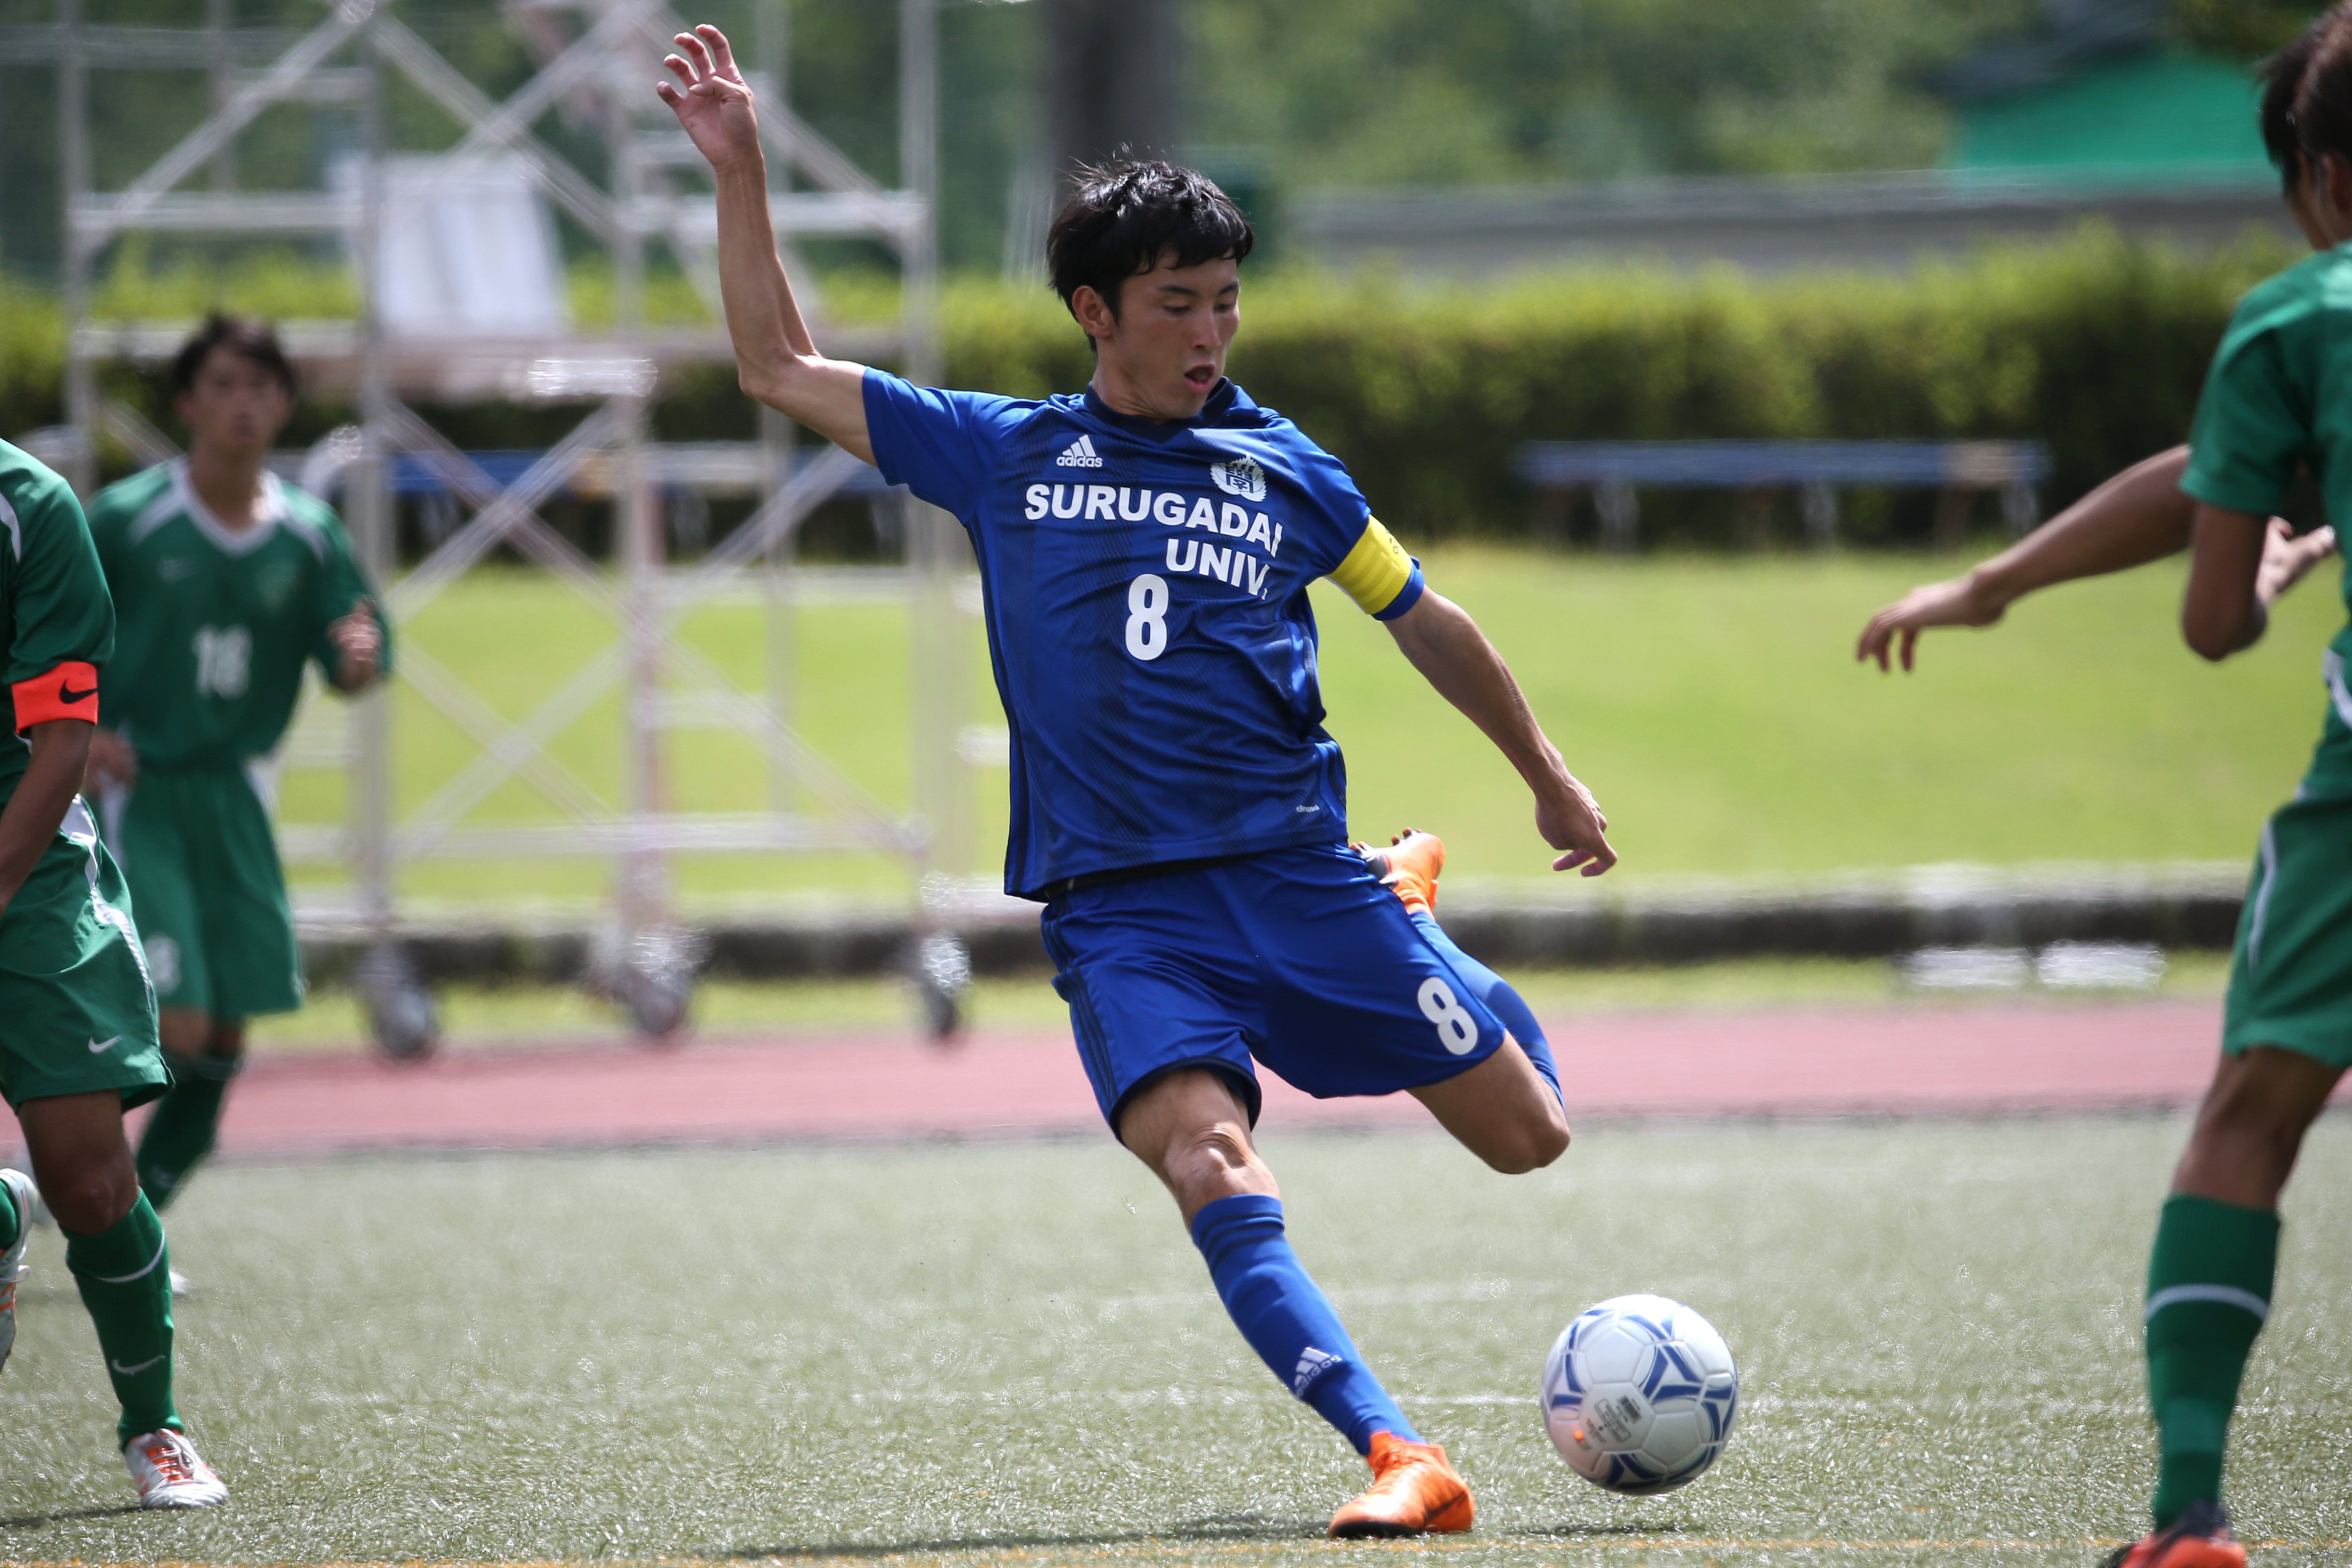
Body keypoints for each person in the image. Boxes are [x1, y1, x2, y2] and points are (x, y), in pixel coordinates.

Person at [659, 24, 1611, 1537]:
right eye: (1178, 304)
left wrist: (1549, 777)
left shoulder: (1289, 468)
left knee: (1530, 1136)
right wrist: (745, 172)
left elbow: (1422, 616)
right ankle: (1396, 1454)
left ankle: (1409, 908)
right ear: (1096, 311)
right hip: (1123, 911)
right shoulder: (1002, 454)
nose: (1209, 330)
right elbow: (775, 367)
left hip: (1299, 875)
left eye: (1225, 301)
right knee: (1203, 1152)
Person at [1858, 17, 2350, 1567]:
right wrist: (2000, 582)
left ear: (2322, 182)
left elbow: (2212, 614)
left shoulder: (2299, 322)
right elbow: (2214, 463)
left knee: (2253, 1107)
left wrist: (2264, 571)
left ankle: (2187, 1515)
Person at [82, 316, 389, 1258]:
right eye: (221, 385)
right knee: (174, 1020)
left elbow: (358, 647)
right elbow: (44, 621)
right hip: (146, 793)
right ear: (186, 403)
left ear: (285, 402)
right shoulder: (130, 519)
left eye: (260, 386)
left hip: (242, 795)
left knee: (225, 1030)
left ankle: (127, 1226)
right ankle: (86, 1183)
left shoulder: (308, 531)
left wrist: (356, 654)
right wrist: (81, 727)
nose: (242, 404)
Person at [0, 437, 229, 1508]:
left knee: (88, 1178)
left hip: (27, 865)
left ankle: (156, 1428)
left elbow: (62, 747)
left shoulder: (30, 505)